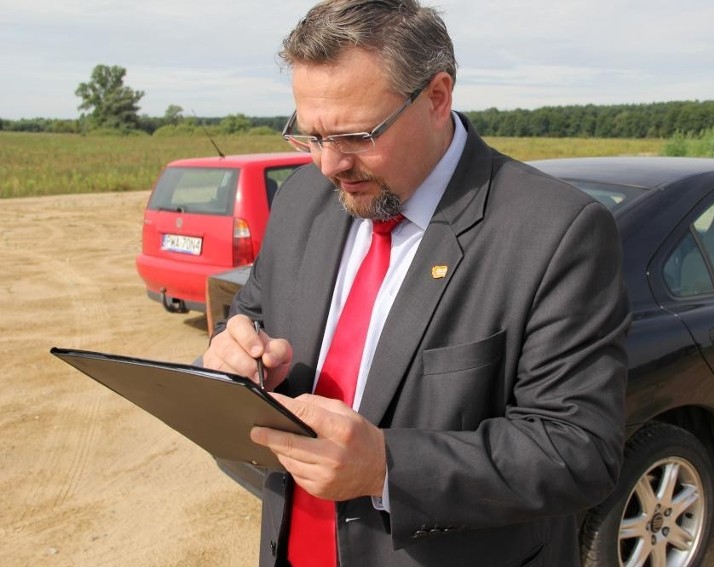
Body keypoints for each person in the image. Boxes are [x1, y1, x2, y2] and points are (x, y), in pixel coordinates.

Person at [202, 1, 630, 565]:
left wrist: (385, 466)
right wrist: (233, 353)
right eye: (309, 136)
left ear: (436, 98)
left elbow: (578, 450)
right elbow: (255, 314)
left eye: (355, 135)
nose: (330, 165)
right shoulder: (305, 197)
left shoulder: (556, 232)